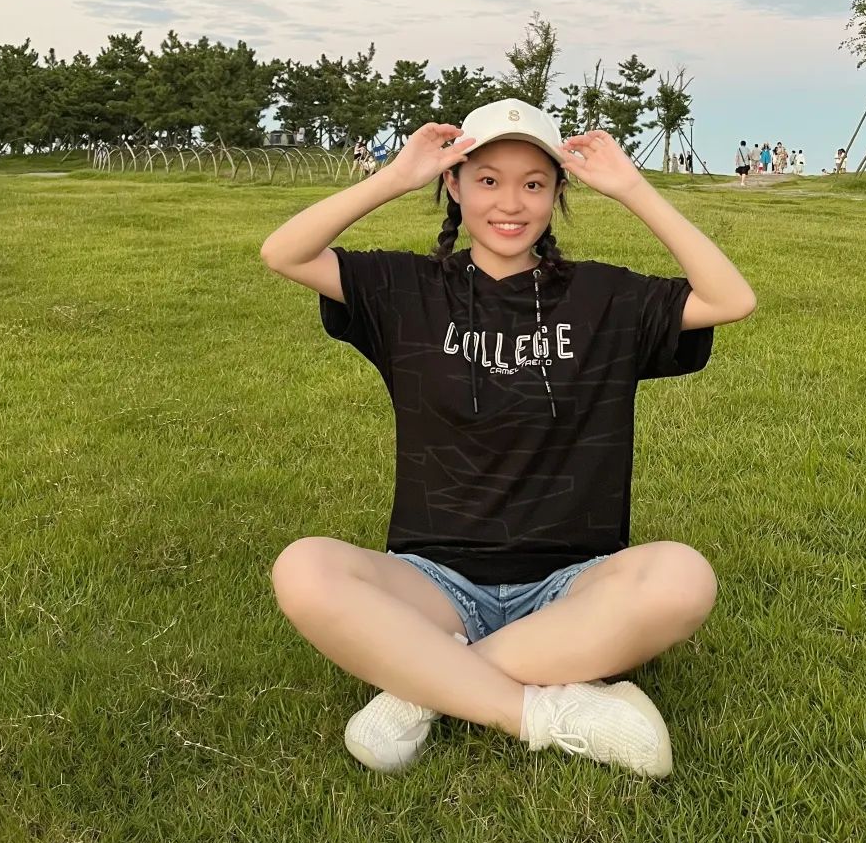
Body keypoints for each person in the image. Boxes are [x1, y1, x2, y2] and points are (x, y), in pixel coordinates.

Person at [261, 100, 756, 779]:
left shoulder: (605, 298)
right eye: (488, 180)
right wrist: (394, 177)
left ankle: (422, 685)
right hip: (432, 581)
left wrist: (634, 188)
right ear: (454, 183)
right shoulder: (404, 289)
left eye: (534, 183)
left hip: (572, 585)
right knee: (304, 569)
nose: (511, 204)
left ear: (557, 192)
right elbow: (283, 252)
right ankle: (543, 713)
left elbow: (731, 299)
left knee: (683, 578)